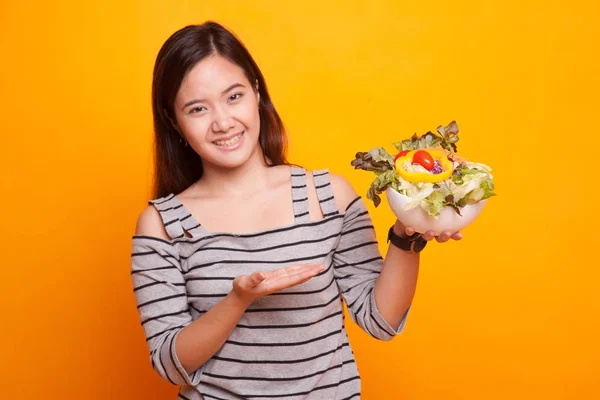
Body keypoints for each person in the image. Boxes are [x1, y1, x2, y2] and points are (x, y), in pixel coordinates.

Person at [130, 21, 462, 400]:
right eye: (197, 108)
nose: (222, 122)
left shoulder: (327, 196)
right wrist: (237, 300)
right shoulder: (162, 224)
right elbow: (169, 364)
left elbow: (380, 321)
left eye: (233, 96)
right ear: (174, 121)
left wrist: (407, 236)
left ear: (256, 91)